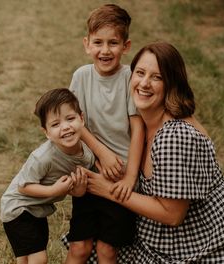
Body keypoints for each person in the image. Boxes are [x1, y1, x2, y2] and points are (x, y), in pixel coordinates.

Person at [85, 42, 224, 263]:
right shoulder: (141, 120)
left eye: (157, 77)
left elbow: (173, 216)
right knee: (95, 248)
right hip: (159, 232)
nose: (144, 83)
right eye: (140, 73)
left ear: (171, 84)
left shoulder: (173, 137)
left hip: (199, 244)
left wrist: (108, 190)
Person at [65, 3, 145, 264]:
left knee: (108, 251)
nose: (105, 50)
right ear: (86, 44)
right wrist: (101, 156)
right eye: (98, 42)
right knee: (79, 247)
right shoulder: (81, 76)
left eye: (113, 43)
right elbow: (77, 124)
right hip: (90, 172)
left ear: (126, 46)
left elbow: (137, 129)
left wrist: (130, 177)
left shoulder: (129, 77)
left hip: (120, 178)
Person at [0, 88, 95, 264]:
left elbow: (74, 190)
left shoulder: (87, 156)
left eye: (70, 119)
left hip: (38, 210)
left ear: (81, 119)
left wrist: (80, 190)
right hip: (18, 207)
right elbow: (23, 186)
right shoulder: (43, 157)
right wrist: (53, 189)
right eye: (55, 124)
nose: (65, 127)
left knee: (25, 259)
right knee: (39, 258)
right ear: (46, 132)